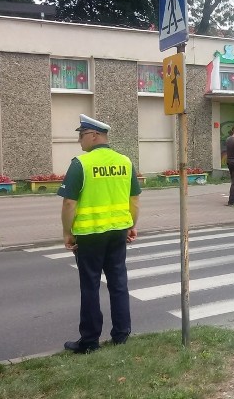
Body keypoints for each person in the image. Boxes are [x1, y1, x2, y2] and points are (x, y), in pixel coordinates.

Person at [59, 114, 141, 353]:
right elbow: (134, 199)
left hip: (89, 234)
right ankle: (122, 335)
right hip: (118, 233)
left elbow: (68, 204)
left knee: (90, 286)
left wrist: (67, 232)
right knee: (118, 284)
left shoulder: (81, 164)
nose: (79, 141)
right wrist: (131, 225)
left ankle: (90, 341)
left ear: (94, 136)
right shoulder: (125, 161)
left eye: (81, 136)